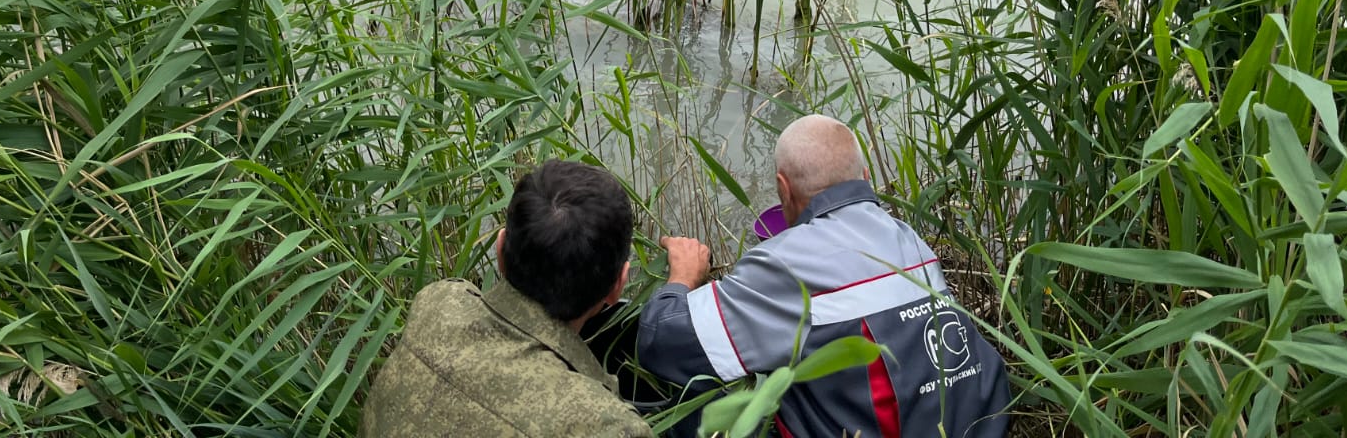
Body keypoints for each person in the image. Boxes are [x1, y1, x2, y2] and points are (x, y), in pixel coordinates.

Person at [637, 115, 1011, 437]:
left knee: (710, 400)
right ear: (866, 176)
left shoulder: (784, 261)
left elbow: (661, 342)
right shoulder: (907, 238)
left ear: (783, 188)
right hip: (979, 423)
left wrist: (683, 277)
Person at [363, 159, 652, 437]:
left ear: (500, 250)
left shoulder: (438, 304)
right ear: (618, 285)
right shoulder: (607, 426)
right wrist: (676, 297)